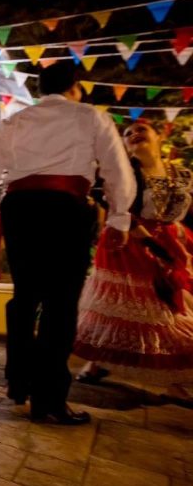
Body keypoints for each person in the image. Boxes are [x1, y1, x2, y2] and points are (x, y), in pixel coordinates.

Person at [0, 63, 135, 425]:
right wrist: (121, 216)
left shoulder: (16, 120)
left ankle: (18, 379)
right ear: (76, 85)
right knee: (60, 303)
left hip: (21, 208)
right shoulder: (91, 117)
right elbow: (116, 169)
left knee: (26, 295)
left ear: (40, 88)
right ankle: (49, 399)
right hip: (64, 209)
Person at [74, 120, 193, 397]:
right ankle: (99, 363)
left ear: (159, 135)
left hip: (170, 242)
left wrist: (177, 247)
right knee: (137, 308)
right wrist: (156, 249)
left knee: (169, 308)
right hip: (128, 242)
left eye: (141, 130)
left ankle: (170, 376)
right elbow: (122, 211)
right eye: (128, 134)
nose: (135, 135)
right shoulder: (124, 174)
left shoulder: (182, 174)